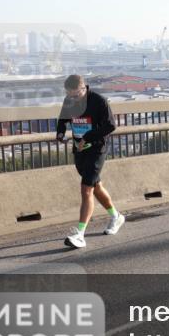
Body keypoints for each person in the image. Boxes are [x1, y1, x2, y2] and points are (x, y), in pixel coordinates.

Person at [56, 74, 123, 249]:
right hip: (79, 150)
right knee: (95, 187)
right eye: (69, 95)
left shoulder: (99, 101)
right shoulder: (69, 100)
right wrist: (60, 134)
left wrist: (89, 137)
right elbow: (63, 119)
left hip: (96, 149)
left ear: (84, 88)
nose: (72, 98)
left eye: (76, 95)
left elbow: (110, 125)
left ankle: (79, 234)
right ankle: (116, 216)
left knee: (86, 189)